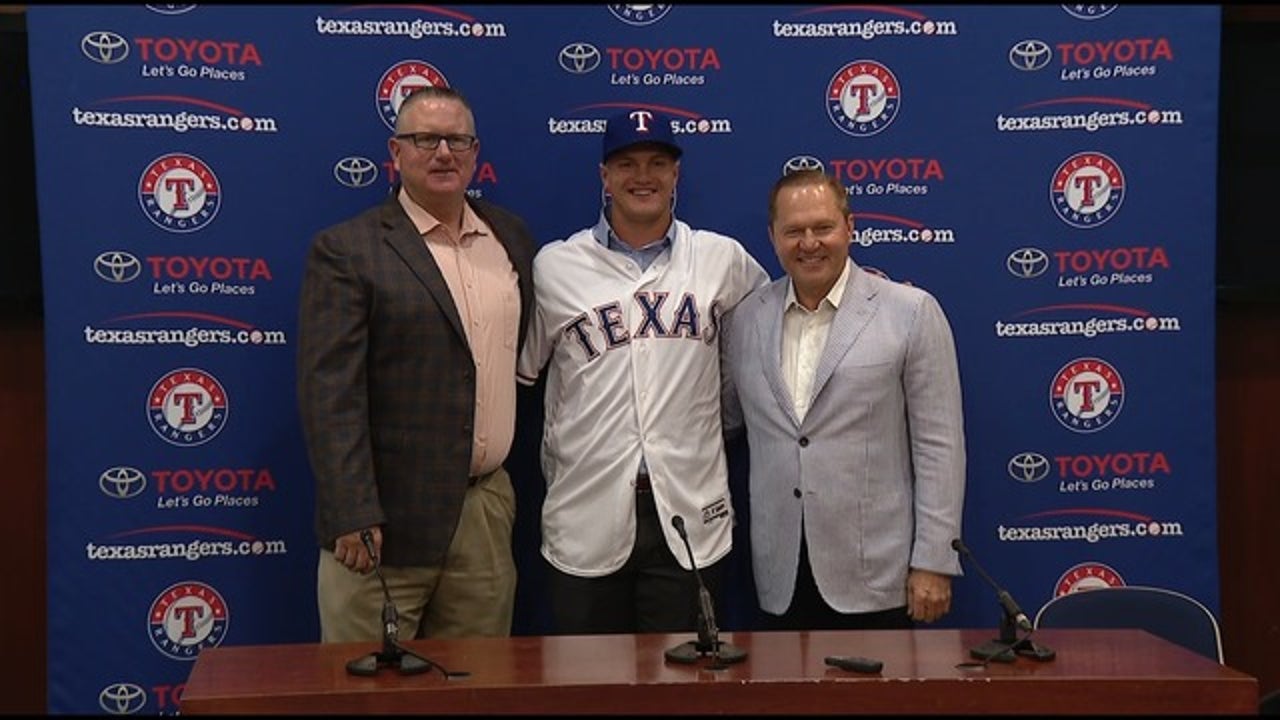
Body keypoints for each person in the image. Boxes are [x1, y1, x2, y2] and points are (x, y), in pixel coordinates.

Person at [297, 86, 536, 642]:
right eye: (425, 139)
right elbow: (329, 392)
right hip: (382, 526)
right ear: (395, 151)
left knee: (478, 689)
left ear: (476, 152)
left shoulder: (511, 239)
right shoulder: (348, 250)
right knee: (366, 696)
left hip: (484, 511)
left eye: (457, 140)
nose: (443, 153)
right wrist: (349, 509)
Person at [516, 108, 768, 635]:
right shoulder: (554, 267)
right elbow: (519, 374)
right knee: (585, 688)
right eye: (626, 164)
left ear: (677, 174)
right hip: (586, 510)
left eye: (658, 162)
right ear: (604, 177)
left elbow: (773, 339)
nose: (643, 176)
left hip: (690, 510)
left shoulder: (723, 260)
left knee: (684, 691)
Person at [721, 169, 965, 631]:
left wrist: (934, 561)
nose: (809, 243)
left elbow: (940, 446)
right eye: (794, 231)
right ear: (772, 237)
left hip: (878, 576)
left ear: (850, 228)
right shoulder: (747, 318)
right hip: (780, 579)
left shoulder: (910, 313)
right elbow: (724, 422)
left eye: (822, 228)